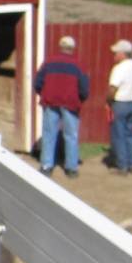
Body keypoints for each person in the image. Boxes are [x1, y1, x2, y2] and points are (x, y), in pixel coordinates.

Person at [33, 35, 90, 178]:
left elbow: (37, 83)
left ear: (60, 47)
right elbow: (84, 88)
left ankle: (46, 166)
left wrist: (44, 94)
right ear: (72, 49)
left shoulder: (49, 62)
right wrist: (80, 99)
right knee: (71, 135)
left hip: (51, 102)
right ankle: (71, 168)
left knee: (49, 134)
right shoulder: (78, 65)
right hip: (70, 104)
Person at [107, 38, 132, 174]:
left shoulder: (119, 68)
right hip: (131, 103)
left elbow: (113, 88)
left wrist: (108, 101)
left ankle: (122, 166)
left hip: (120, 103)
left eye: (116, 53)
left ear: (123, 53)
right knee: (130, 134)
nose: (114, 55)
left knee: (119, 135)